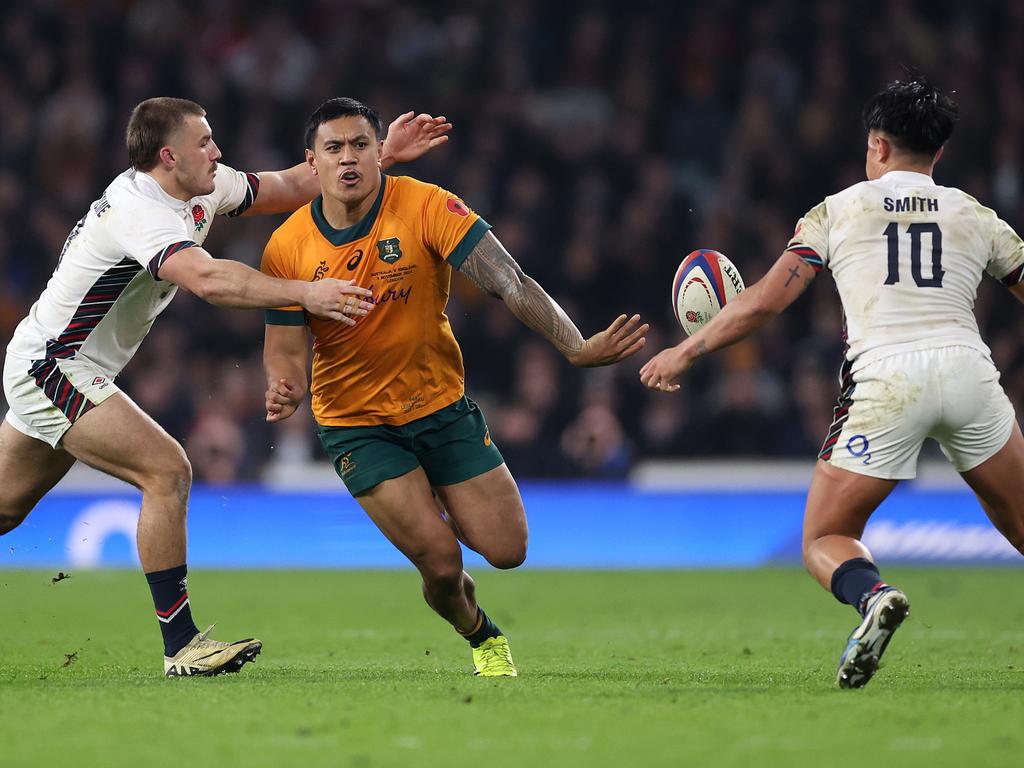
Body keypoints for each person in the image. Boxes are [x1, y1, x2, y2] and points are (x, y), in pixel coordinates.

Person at [0, 96, 451, 677]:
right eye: (205, 143)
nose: (217, 151)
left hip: (58, 363)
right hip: (52, 366)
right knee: (167, 471)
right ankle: (182, 646)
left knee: (6, 509)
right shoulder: (140, 211)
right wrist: (307, 293)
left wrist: (377, 156)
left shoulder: (200, 187)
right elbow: (209, 279)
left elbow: (289, 184)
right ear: (169, 156)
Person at [640, 78, 1024, 688]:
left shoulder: (838, 210)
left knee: (826, 535)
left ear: (877, 145)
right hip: (968, 371)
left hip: (887, 382)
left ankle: (873, 597)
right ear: (938, 155)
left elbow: (766, 301)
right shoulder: (975, 215)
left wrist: (686, 352)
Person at [261, 97, 648, 677]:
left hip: (440, 406)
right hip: (356, 424)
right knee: (442, 565)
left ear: (378, 153)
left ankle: (438, 497)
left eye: (361, 145)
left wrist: (574, 345)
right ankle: (481, 634)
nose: (348, 160)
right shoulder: (286, 247)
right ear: (310, 161)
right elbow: (286, 351)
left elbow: (508, 280)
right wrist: (284, 387)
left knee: (508, 550)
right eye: (334, 148)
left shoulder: (426, 204)